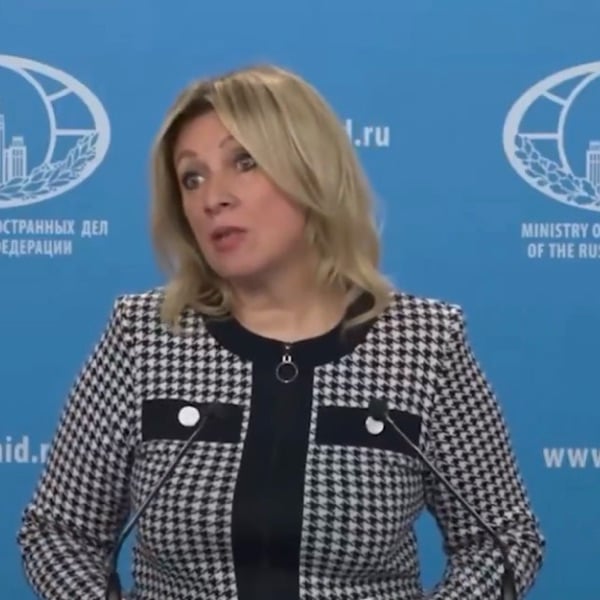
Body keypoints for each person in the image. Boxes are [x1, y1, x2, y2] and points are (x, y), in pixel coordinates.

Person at [17, 63, 545, 600]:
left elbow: (503, 538)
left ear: (312, 171)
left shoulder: (424, 343)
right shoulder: (144, 335)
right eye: (192, 178)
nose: (212, 198)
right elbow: (60, 532)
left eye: (244, 162)